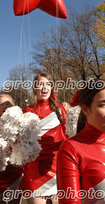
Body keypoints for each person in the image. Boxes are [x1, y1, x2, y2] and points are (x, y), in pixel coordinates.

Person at [19, 73, 66, 204]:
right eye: (40, 84)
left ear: (51, 88)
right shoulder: (26, 111)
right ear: (34, 88)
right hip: (34, 169)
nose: (44, 87)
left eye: (47, 84)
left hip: (56, 166)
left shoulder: (60, 109)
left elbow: (70, 135)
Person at [0, 94, 23, 204]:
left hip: (15, 175)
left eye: (7, 104)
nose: (5, 106)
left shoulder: (22, 124)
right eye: (1, 104)